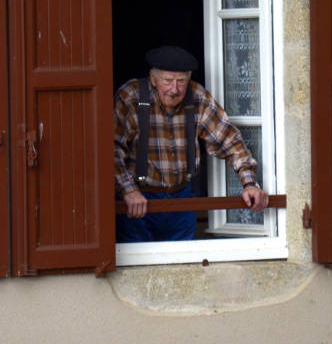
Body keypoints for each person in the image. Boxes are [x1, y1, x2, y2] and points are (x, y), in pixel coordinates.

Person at [113, 45, 269, 242]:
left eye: (181, 82)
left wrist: (250, 184)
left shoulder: (197, 97)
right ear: (153, 79)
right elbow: (111, 148)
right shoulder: (131, 96)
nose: (174, 89)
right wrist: (128, 190)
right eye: (168, 81)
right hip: (139, 200)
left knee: (181, 266)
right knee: (137, 265)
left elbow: (231, 141)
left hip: (182, 199)